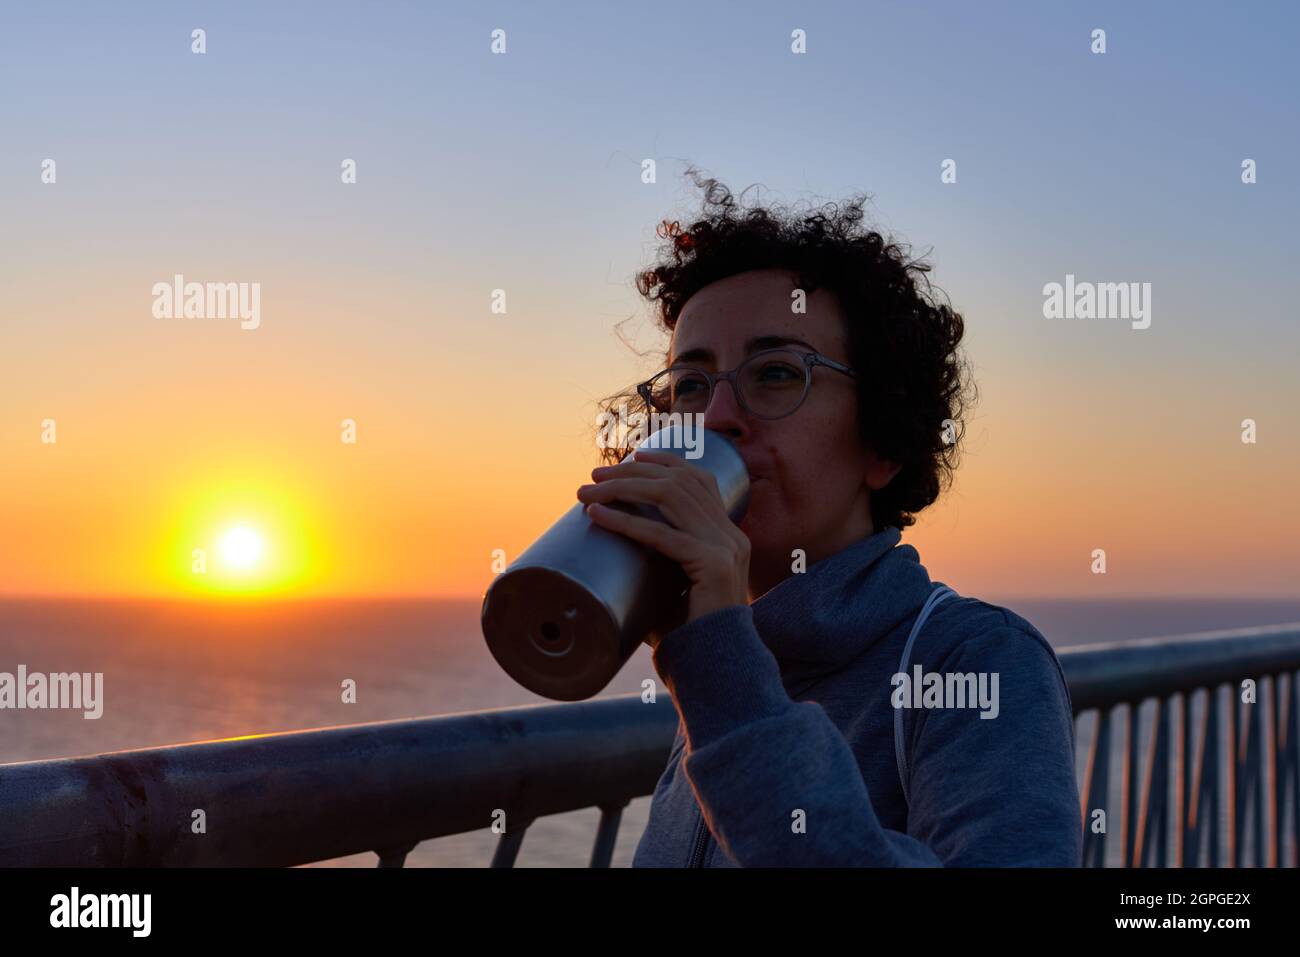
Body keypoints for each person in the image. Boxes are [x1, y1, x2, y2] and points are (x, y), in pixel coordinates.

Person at [580, 169, 1082, 867]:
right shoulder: (722, 661)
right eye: (690, 386)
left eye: (777, 372)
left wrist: (721, 668)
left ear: (882, 440)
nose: (717, 418)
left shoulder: (980, 661)